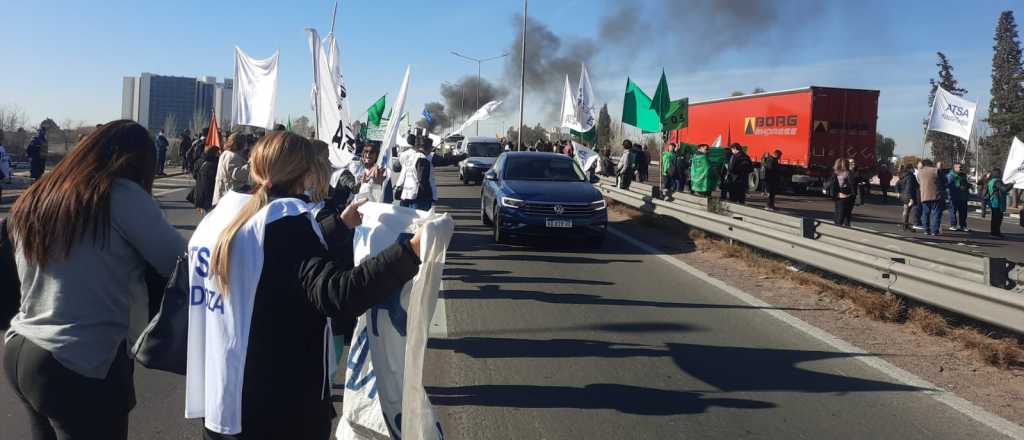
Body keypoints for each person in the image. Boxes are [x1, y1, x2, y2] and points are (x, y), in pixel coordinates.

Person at [185, 131, 424, 439]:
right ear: (307, 173)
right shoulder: (286, 220)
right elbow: (338, 293)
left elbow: (278, 265)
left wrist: (336, 225)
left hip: (222, 395)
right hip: (276, 406)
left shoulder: (225, 214)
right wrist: (411, 251)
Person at [3, 120, 186, 440]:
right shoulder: (118, 193)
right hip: (79, 359)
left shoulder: (39, 193)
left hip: (21, 348)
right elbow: (178, 261)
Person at [213, 133, 252, 206]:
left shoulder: (226, 154)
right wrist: (250, 165)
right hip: (229, 197)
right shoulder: (232, 156)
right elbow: (236, 174)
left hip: (224, 195)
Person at [399, 136, 437, 211]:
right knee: (419, 221)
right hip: (419, 197)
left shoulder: (410, 157)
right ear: (428, 147)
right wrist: (429, 197)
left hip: (405, 194)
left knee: (406, 220)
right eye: (431, 147)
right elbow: (422, 180)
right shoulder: (422, 159)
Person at [916, 159, 942, 236]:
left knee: (925, 213)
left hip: (924, 195)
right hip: (935, 195)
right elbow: (942, 179)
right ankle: (934, 230)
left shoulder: (919, 172)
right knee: (936, 213)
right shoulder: (934, 170)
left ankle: (926, 229)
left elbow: (919, 182)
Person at [192, 144, 220, 214]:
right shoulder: (214, 165)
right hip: (210, 194)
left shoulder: (199, 161)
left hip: (200, 192)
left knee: (207, 215)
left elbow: (194, 175)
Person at [828, 158, 855, 226]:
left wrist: (836, 194)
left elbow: (832, 185)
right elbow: (852, 185)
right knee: (845, 215)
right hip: (846, 196)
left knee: (838, 214)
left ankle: (838, 227)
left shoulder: (835, 173)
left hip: (838, 196)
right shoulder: (847, 173)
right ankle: (843, 228)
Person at [985, 169, 1010, 238]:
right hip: (997, 202)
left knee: (995, 218)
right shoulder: (997, 181)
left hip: (993, 201)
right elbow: (1004, 189)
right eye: (1000, 173)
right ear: (998, 174)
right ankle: (995, 233)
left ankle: (995, 232)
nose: (1001, 174)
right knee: (997, 218)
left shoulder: (991, 181)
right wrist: (1012, 184)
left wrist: (1009, 185)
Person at [946, 163, 970, 232]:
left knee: (963, 212)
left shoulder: (963, 175)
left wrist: (968, 185)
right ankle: (953, 225)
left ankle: (963, 225)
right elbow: (948, 186)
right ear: (955, 168)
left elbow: (965, 184)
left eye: (961, 167)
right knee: (953, 211)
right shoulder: (950, 176)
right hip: (954, 197)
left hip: (963, 197)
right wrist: (959, 188)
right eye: (959, 167)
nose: (961, 168)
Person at [895, 164, 920, 231]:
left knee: (906, 210)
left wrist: (898, 193)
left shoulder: (903, 175)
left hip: (903, 195)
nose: (914, 170)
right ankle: (905, 225)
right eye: (912, 169)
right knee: (909, 210)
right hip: (909, 196)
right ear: (909, 169)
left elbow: (897, 184)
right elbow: (910, 187)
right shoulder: (911, 176)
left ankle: (905, 224)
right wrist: (911, 198)